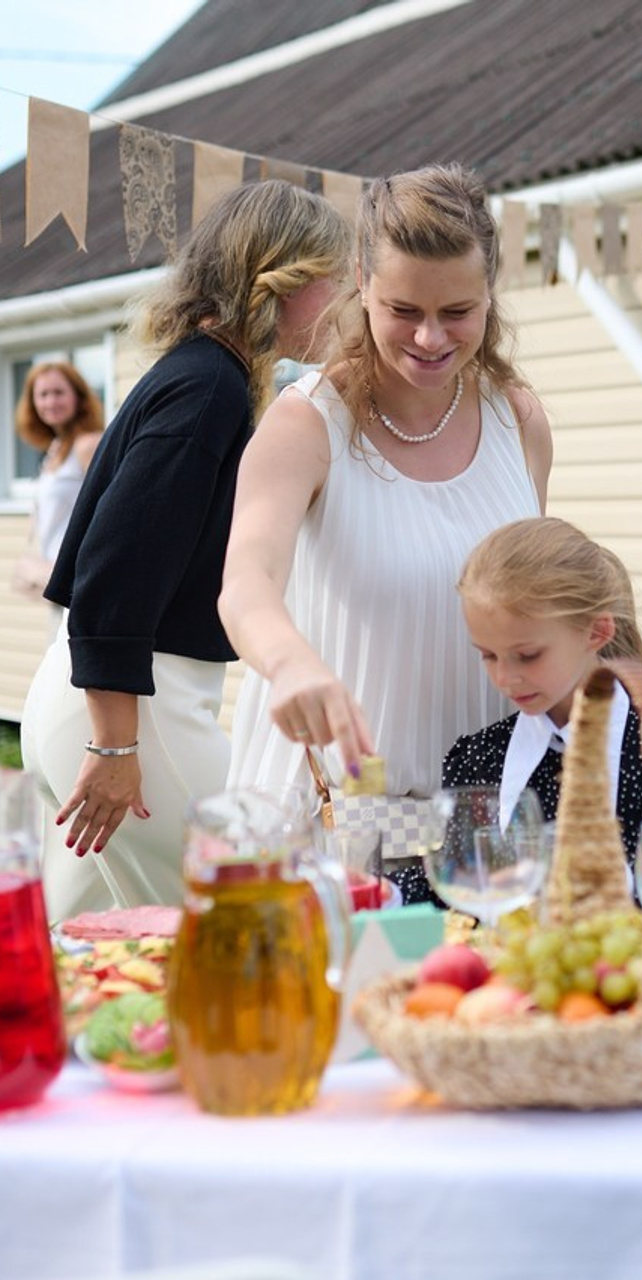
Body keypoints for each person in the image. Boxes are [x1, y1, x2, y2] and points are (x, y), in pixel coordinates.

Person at [20, 180, 351, 921]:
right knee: (243, 915)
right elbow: (115, 572)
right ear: (282, 277)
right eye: (332, 277)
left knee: (84, 949)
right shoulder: (210, 390)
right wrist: (113, 749)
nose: (341, 299)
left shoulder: (197, 375)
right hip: (131, 708)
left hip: (80, 699)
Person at [221, 164, 551, 810]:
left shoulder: (521, 421)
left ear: (491, 292)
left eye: (457, 312)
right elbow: (245, 582)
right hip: (329, 815)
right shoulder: (306, 423)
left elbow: (534, 600)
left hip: (478, 823)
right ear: (362, 284)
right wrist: (289, 662)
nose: (430, 338)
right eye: (404, 310)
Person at [396, 516, 642, 909]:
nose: (505, 678)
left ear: (596, 633)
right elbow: (454, 882)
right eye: (488, 656)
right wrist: (372, 891)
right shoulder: (480, 759)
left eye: (527, 655)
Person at [10, 363, 104, 626]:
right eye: (43, 394)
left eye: (59, 392)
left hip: (80, 588)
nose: (51, 401)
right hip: (56, 587)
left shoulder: (89, 445)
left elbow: (108, 513)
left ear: (78, 397)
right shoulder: (55, 448)